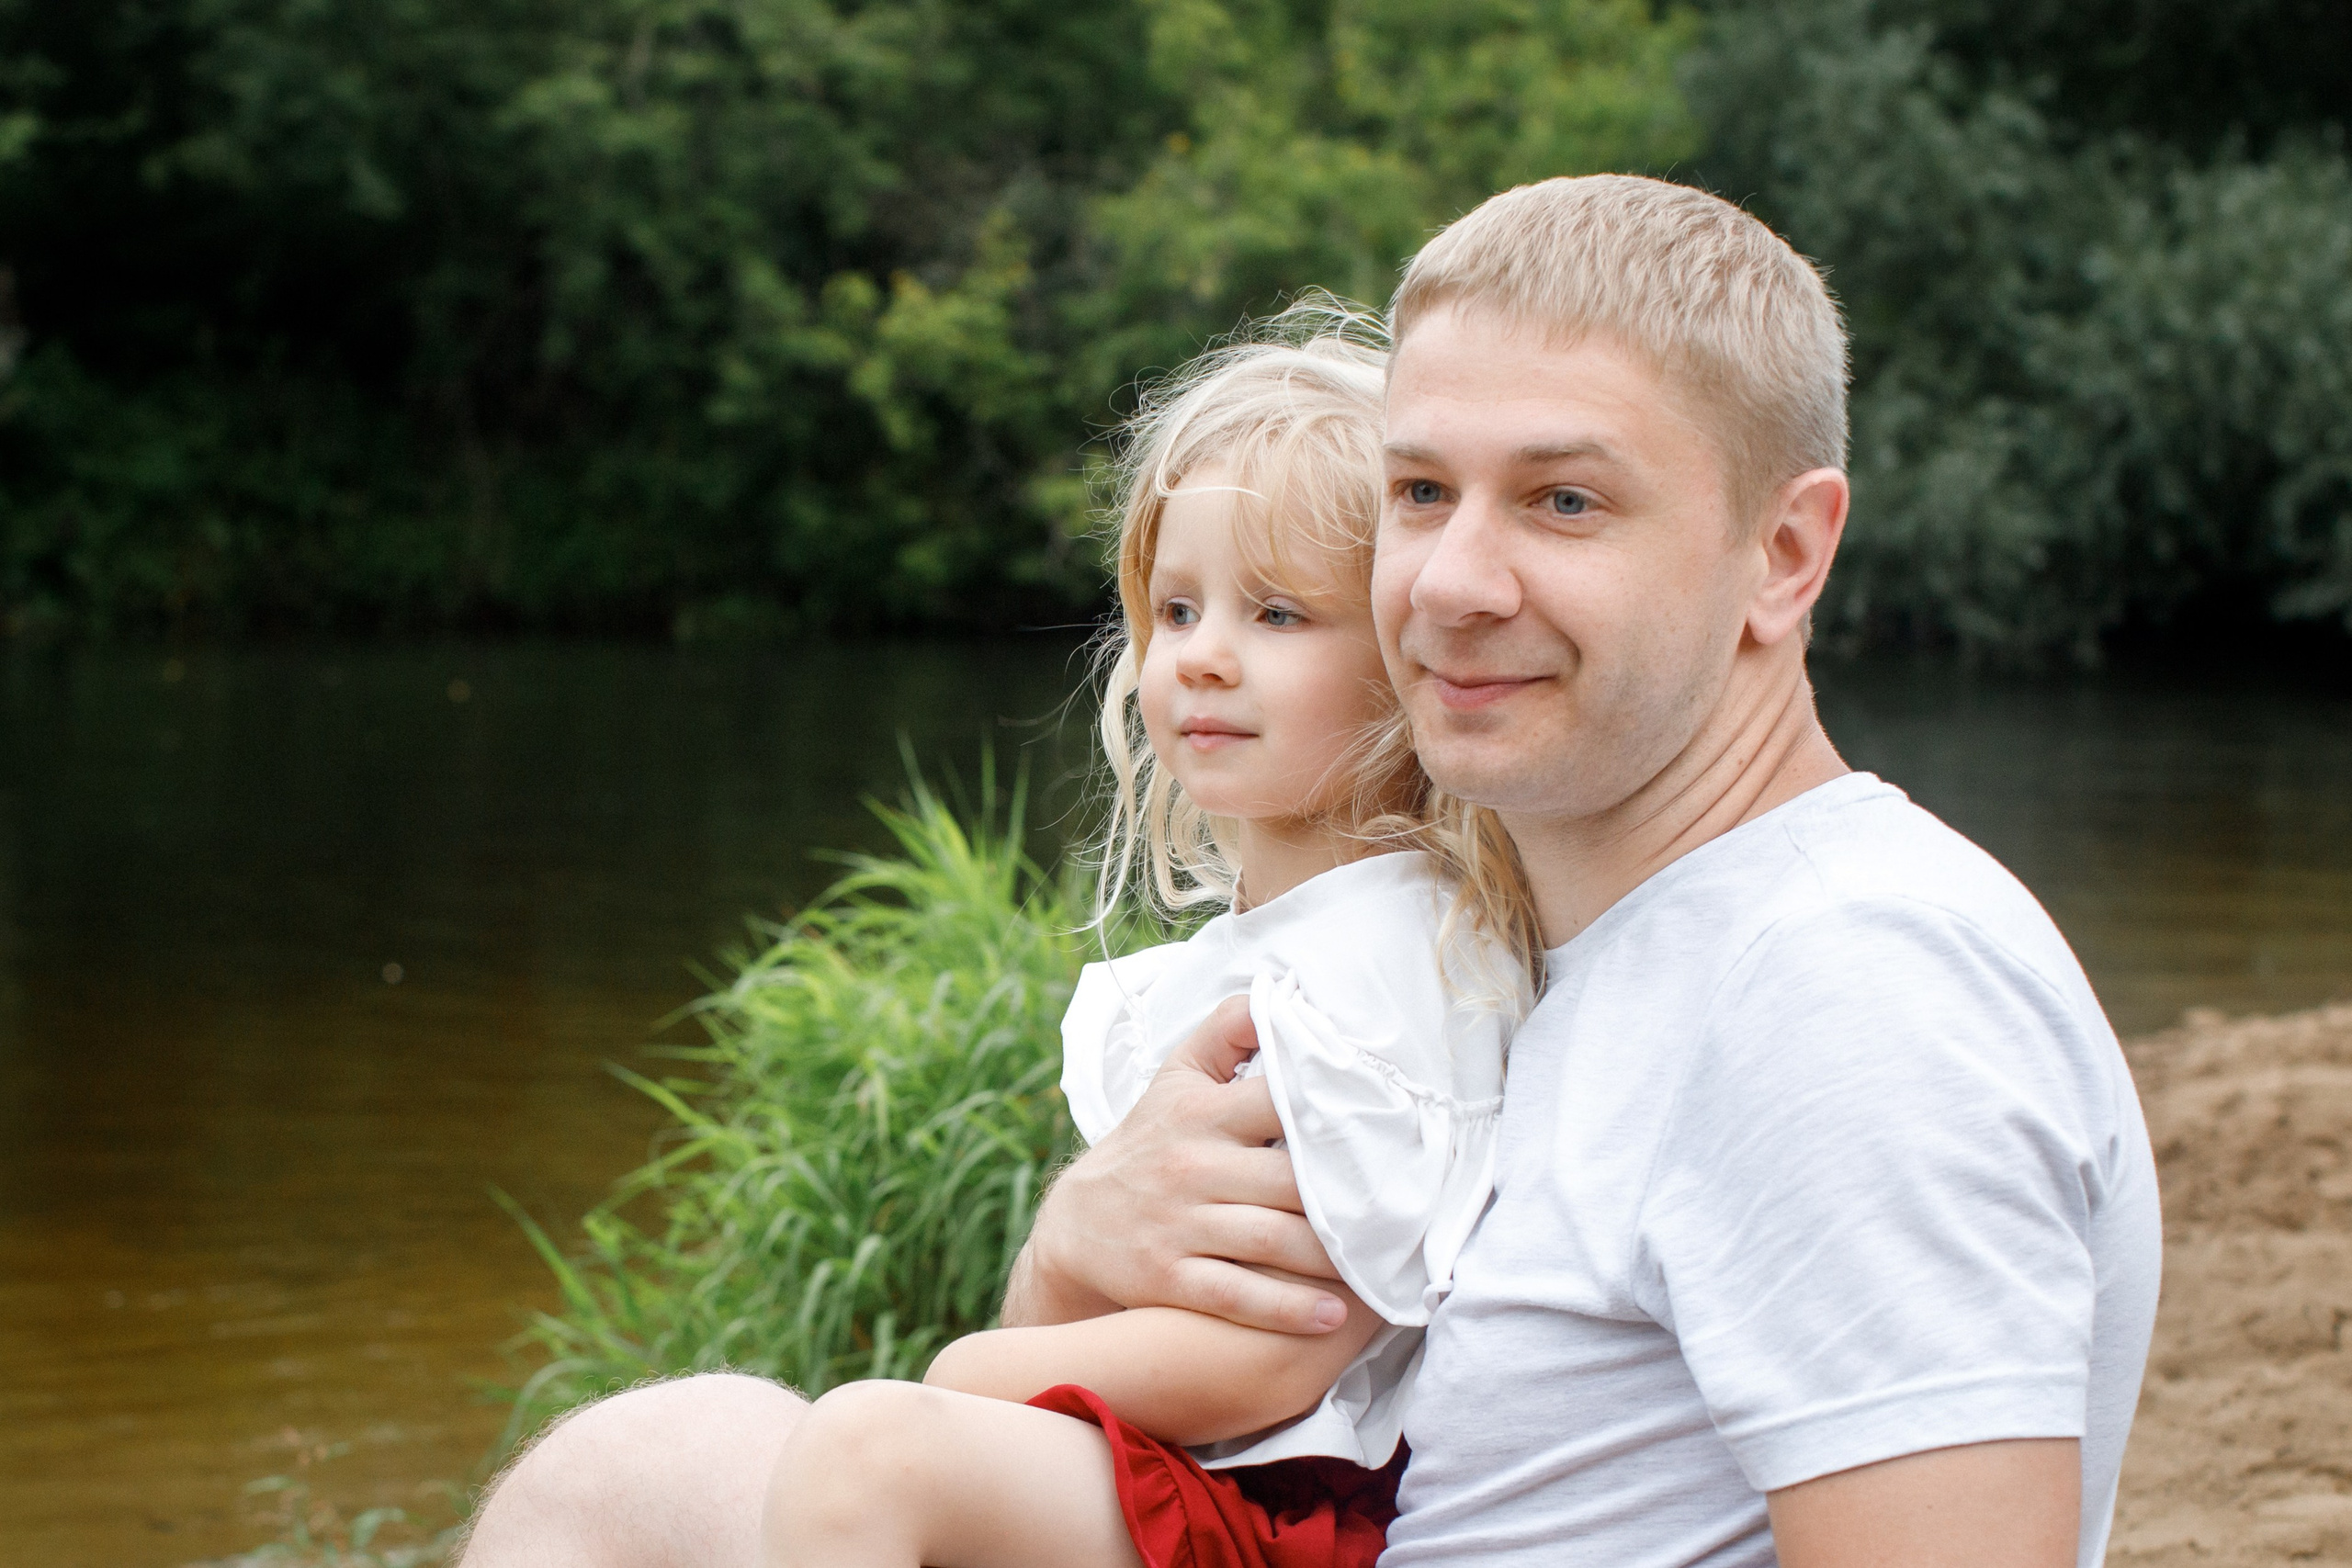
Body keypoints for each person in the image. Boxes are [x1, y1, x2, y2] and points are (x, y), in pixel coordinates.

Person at [457, 175, 2162, 1568]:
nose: (1455, 581)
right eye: (1421, 492)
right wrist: (1072, 1249)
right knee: (629, 1478)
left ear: (1780, 554)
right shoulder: (1521, 941)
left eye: (1564, 502)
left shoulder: (1849, 988)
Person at [759, 319, 1538, 1568]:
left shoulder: (1391, 960)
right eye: (1177, 609)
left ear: (1407, 660)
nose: (1203, 658)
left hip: (1284, 1518)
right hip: (1191, 1479)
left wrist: (983, 1367)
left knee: (868, 1457)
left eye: (1278, 614)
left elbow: (1291, 1347)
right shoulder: (1268, 949)